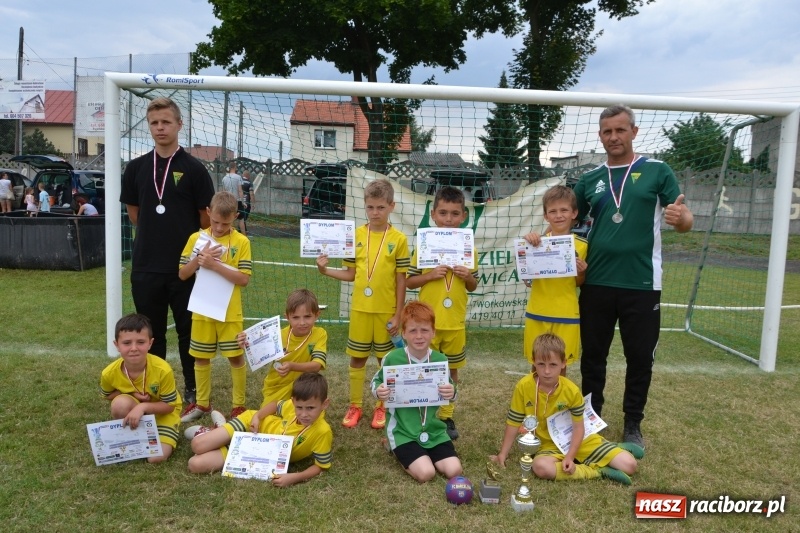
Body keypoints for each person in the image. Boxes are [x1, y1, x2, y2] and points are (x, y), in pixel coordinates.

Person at [573, 104, 694, 448]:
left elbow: (685, 220)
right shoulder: (590, 180)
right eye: (607, 131)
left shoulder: (657, 171)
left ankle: (632, 424)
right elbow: (565, 219)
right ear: (600, 136)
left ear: (634, 132)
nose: (614, 137)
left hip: (641, 284)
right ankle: (591, 417)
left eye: (620, 130)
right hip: (596, 282)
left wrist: (680, 217)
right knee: (593, 356)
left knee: (639, 358)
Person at [121, 97, 216, 406]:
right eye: (154, 123)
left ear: (179, 125)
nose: (160, 128)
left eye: (166, 122)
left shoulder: (194, 168)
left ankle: (190, 386)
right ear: (149, 126)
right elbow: (135, 212)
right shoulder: (135, 168)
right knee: (153, 334)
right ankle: (158, 387)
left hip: (186, 268)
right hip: (146, 266)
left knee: (189, 333)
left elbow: (205, 217)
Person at [316, 178, 409, 429]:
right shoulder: (354, 236)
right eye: (370, 207)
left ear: (392, 206)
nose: (375, 212)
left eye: (380, 207)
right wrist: (326, 271)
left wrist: (399, 314)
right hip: (360, 310)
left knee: (385, 361)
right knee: (356, 359)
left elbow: (402, 280)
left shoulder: (399, 239)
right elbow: (350, 273)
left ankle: (381, 406)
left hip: (386, 312)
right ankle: (355, 405)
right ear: (364, 206)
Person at [490, 333, 641, 485]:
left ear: (563, 363)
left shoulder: (572, 391)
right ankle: (598, 471)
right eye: (541, 364)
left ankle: (613, 447)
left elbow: (578, 427)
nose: (547, 371)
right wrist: (502, 454)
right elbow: (514, 422)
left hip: (579, 440)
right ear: (534, 361)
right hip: (548, 446)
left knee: (630, 465)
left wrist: (570, 456)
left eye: (553, 365)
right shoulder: (523, 387)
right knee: (540, 467)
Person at [406, 186, 478, 440]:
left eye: (454, 214)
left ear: (464, 216)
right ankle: (419, 411)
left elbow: (473, 285)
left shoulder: (469, 248)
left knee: (452, 369)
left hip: (455, 323)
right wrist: (429, 275)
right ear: (433, 214)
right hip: (426, 323)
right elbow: (409, 282)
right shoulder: (424, 246)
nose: (449, 219)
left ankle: (446, 415)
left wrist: (468, 276)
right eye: (443, 213)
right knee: (423, 367)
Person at [178, 191, 252, 422]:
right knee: (201, 357)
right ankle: (202, 403)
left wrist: (214, 264)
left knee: (235, 357)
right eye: (216, 222)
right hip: (202, 310)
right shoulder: (196, 239)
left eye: (226, 223)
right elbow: (182, 274)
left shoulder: (241, 241)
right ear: (208, 213)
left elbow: (244, 279)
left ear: (236, 217)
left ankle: (238, 406)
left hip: (230, 312)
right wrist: (198, 260)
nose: (219, 228)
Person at [187, 372, 333, 487]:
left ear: (324, 404)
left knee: (195, 464)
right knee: (197, 445)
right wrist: (257, 416)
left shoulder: (323, 432)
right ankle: (217, 429)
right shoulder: (291, 405)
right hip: (250, 425)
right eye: (299, 408)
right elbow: (275, 404)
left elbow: (321, 466)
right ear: (294, 402)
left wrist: (295, 477)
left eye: (311, 408)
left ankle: (224, 437)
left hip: (257, 452)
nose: (303, 414)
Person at [371, 301, 462, 483]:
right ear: (403, 333)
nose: (419, 336)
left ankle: (424, 452)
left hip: (433, 430)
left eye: (424, 330)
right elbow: (375, 382)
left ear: (433, 332)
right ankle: (394, 446)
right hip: (402, 431)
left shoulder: (439, 360)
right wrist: (379, 391)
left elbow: (452, 390)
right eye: (413, 331)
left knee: (454, 470)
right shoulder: (392, 358)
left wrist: (451, 392)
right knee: (426, 473)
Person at [521, 185, 588, 373]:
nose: (559, 215)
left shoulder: (583, 246)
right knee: (537, 363)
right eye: (553, 211)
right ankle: (537, 401)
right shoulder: (535, 243)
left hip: (566, 313)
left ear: (574, 213)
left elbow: (578, 283)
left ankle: (560, 401)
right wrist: (529, 247)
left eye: (564, 210)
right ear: (545, 216)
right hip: (538, 311)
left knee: (561, 363)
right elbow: (527, 281)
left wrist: (581, 272)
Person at [98, 313, 182, 463]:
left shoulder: (163, 369)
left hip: (164, 413)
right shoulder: (108, 373)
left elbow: (169, 406)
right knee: (119, 404)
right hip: (136, 407)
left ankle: (161, 432)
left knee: (156, 458)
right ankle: (133, 435)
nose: (134, 348)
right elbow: (108, 394)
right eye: (127, 343)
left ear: (150, 343)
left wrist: (143, 407)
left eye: (141, 342)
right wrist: (134, 395)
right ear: (116, 345)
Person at [237, 288, 327, 407]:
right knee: (265, 419)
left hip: (303, 387)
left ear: (317, 315)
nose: (302, 322)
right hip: (276, 386)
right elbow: (260, 358)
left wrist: (292, 366)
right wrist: (247, 345)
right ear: (287, 317)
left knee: (302, 419)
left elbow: (317, 366)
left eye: (307, 316)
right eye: (296, 317)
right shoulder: (276, 335)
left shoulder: (319, 334)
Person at [238, 169, 255, 235]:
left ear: (243, 175)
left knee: (240, 218)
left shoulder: (239, 181)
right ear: (248, 176)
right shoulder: (249, 183)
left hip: (239, 202)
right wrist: (253, 203)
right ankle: (243, 232)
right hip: (246, 203)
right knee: (244, 218)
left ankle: (240, 231)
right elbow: (251, 193)